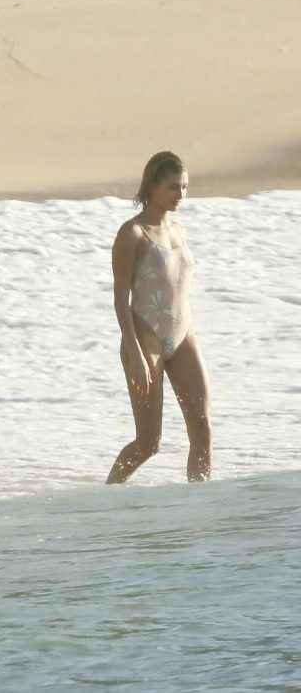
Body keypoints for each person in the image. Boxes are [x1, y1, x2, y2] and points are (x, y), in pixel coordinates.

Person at [106, 151, 212, 484]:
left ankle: (200, 502)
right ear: (152, 186)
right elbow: (121, 297)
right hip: (145, 336)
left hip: (182, 335)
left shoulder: (179, 229)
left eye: (184, 187)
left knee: (202, 429)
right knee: (148, 443)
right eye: (172, 187)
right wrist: (133, 349)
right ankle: (108, 495)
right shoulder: (132, 233)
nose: (180, 195)